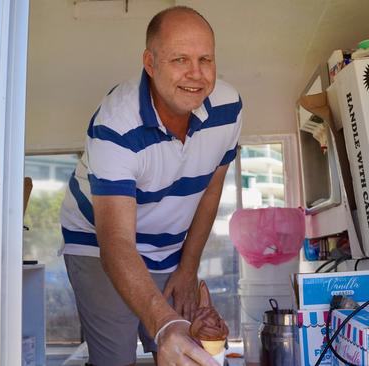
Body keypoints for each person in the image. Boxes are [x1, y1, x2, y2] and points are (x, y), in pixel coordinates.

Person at [60, 5, 242, 365]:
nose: (196, 74)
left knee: (186, 350)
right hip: (98, 243)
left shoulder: (229, 107)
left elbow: (211, 191)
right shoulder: (115, 124)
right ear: (150, 62)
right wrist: (164, 323)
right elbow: (116, 243)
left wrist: (188, 268)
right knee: (123, 354)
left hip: (170, 245)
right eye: (179, 59)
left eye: (205, 59)